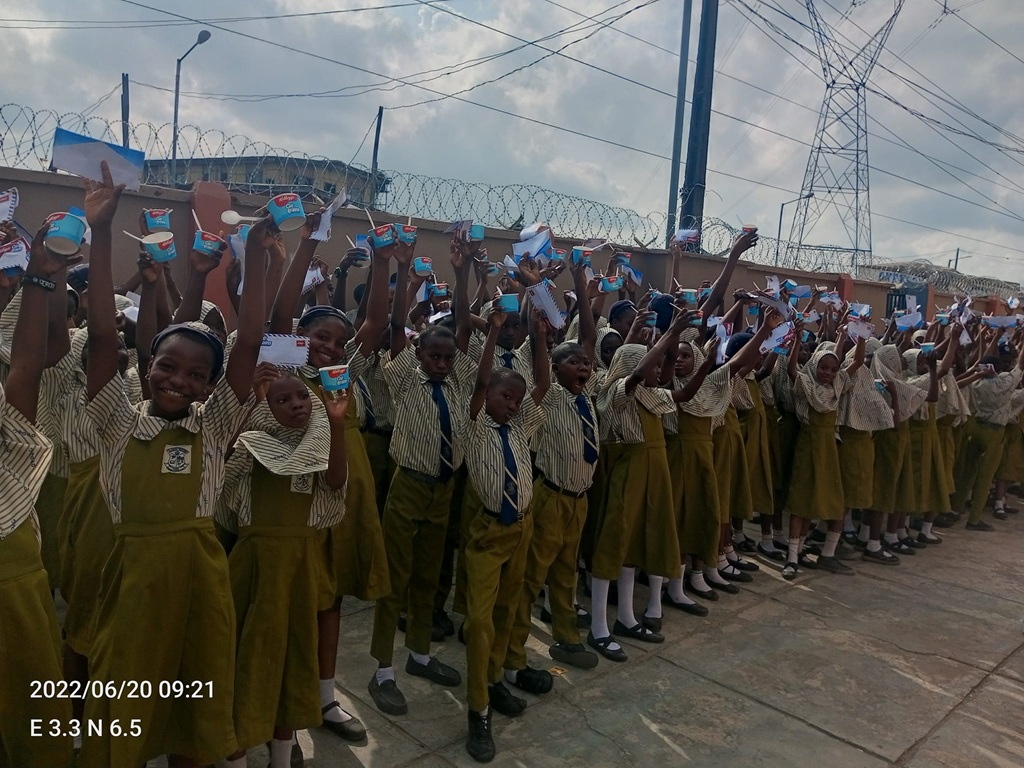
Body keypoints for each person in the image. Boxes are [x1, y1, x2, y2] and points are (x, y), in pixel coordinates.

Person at [78, 162, 266, 768]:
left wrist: (259, 259)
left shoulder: (210, 426)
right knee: (127, 696)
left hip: (199, 581)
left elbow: (254, 340)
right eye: (166, 366)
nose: (177, 381)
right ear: (147, 363)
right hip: (132, 579)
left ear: (211, 387)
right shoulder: (116, 417)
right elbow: (106, 339)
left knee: (196, 696)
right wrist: (100, 232)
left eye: (194, 374)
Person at [267, 215, 391, 741]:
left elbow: (376, 323)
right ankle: (287, 716)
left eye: (339, 340)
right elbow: (278, 316)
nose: (332, 347)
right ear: (300, 339)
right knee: (298, 604)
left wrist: (385, 261)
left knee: (332, 599)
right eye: (321, 336)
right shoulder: (288, 370)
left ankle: (324, 697)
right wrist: (306, 244)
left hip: (347, 504)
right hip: (301, 506)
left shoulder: (344, 376)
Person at [219, 365, 350, 768]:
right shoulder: (253, 446)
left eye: (301, 398)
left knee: (293, 662)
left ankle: (282, 756)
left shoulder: (317, 447)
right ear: (265, 407)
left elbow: (334, 482)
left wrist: (336, 422)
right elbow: (224, 468)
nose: (295, 404)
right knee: (242, 660)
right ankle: (236, 754)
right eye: (281, 399)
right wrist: (250, 406)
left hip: (297, 571)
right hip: (253, 571)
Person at [367, 234, 476, 716]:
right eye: (434, 355)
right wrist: (406, 274)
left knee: (429, 576)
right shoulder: (406, 376)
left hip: (443, 489)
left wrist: (461, 273)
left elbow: (465, 331)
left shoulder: (455, 380)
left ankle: (419, 655)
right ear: (418, 355)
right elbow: (394, 330)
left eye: (448, 357)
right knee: (394, 576)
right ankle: (382, 669)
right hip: (409, 484)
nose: (442, 363)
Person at [0, 221, 79, 768]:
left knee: (31, 725)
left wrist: (38, 280)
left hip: (15, 589)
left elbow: (27, 366)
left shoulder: (10, 459)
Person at [503, 257, 600, 676]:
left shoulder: (584, 395)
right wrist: (541, 334)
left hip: (577, 500)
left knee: (566, 573)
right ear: (555, 368)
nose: (582, 366)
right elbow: (537, 361)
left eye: (585, 363)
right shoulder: (549, 394)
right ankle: (514, 652)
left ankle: (566, 638)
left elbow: (591, 343)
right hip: (549, 496)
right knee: (530, 576)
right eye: (572, 362)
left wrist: (581, 279)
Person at [462, 305, 549, 763]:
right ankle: (477, 709)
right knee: (478, 622)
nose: (511, 404)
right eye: (504, 396)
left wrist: (538, 336)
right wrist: (494, 333)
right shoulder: (476, 426)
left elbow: (542, 387)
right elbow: (479, 385)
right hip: (489, 532)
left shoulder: (518, 429)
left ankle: (494, 682)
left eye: (516, 400)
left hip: (521, 529)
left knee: (507, 608)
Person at [783, 325, 865, 580]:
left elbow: (859, 361)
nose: (828, 373)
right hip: (808, 447)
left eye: (832, 369)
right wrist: (797, 340)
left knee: (829, 500)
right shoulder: (806, 385)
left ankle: (818, 551)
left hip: (829, 449)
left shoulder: (838, 386)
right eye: (823, 368)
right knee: (801, 501)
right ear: (815, 367)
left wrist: (861, 333)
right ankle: (792, 557)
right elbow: (791, 368)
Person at [951, 327, 1024, 530]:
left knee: (966, 472)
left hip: (974, 428)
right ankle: (974, 519)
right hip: (994, 433)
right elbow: (1021, 364)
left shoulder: (975, 384)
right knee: (985, 478)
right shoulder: (1006, 384)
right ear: (999, 369)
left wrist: (990, 338)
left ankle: (956, 510)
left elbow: (983, 360)